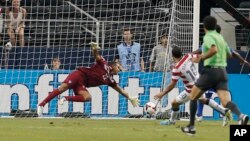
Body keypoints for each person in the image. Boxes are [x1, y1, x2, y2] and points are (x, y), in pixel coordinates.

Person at [181, 16, 249, 136]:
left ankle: (191, 127)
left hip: (210, 71)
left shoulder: (208, 36)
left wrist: (201, 58)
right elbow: (229, 54)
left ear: (204, 27)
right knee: (225, 102)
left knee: (193, 96)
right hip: (222, 72)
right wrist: (239, 59)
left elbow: (213, 50)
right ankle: (241, 116)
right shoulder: (221, 38)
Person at [37, 42, 140, 116]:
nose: (120, 69)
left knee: (88, 97)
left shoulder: (110, 80)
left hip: (82, 84)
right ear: (113, 65)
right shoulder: (104, 63)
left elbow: (120, 90)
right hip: (79, 74)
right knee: (63, 87)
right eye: (118, 66)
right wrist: (94, 48)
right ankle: (41, 105)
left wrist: (130, 98)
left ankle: (65, 98)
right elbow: (96, 56)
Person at [154, 47, 231, 126]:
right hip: (200, 83)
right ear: (181, 53)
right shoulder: (188, 56)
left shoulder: (176, 68)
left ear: (172, 56)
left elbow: (172, 85)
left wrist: (162, 94)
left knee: (174, 103)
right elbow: (200, 58)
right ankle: (224, 111)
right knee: (203, 100)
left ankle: (172, 121)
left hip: (191, 89)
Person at [195, 24, 250, 122]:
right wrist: (242, 60)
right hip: (221, 75)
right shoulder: (223, 44)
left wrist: (189, 55)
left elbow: (198, 51)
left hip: (209, 74)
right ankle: (241, 116)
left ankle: (198, 116)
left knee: (198, 94)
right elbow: (234, 54)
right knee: (225, 102)